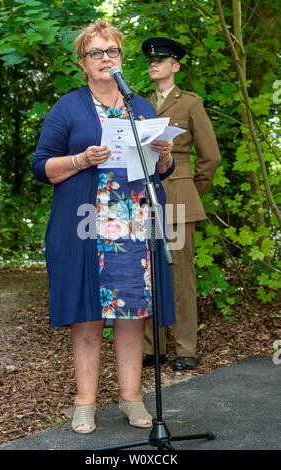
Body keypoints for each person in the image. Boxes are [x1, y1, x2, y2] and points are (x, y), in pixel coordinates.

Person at [32, 21, 176, 435]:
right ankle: (85, 403)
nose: (105, 59)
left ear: (121, 58)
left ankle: (131, 399)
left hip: (135, 224)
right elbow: (41, 166)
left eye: (111, 52)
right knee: (88, 316)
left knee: (133, 314)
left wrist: (164, 155)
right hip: (86, 227)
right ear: (82, 61)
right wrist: (81, 159)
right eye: (96, 53)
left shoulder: (141, 106)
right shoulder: (68, 107)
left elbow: (161, 171)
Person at [141, 37, 221, 371]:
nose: (153, 64)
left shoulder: (190, 103)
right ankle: (152, 347)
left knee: (180, 275)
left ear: (175, 66)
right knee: (148, 271)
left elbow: (211, 157)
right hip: (145, 196)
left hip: (177, 197)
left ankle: (186, 347)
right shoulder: (140, 104)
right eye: (150, 61)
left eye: (161, 60)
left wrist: (190, 192)